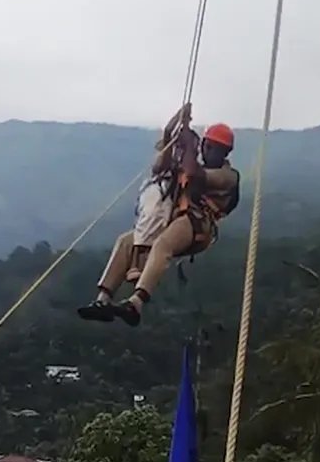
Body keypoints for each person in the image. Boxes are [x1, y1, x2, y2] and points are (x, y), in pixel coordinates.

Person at [78, 109, 239, 326]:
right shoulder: (195, 164)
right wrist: (173, 131)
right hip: (179, 218)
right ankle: (103, 298)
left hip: (199, 224)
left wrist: (189, 146)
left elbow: (194, 174)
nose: (209, 151)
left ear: (225, 152)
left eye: (214, 148)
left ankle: (136, 302)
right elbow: (162, 167)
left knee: (163, 243)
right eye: (207, 146)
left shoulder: (227, 176)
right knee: (126, 241)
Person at [127, 104, 192, 282]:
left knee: (151, 226)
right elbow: (169, 130)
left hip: (161, 195)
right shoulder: (164, 162)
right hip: (156, 194)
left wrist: (185, 122)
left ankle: (140, 264)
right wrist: (181, 115)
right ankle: (136, 264)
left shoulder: (174, 167)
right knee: (149, 221)